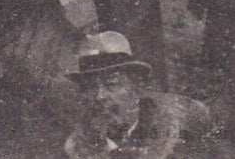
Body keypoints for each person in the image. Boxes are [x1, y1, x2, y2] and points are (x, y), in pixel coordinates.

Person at [63, 31, 210, 159]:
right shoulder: (77, 148)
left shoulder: (179, 125)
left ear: (137, 86)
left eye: (112, 85)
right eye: (90, 88)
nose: (99, 96)